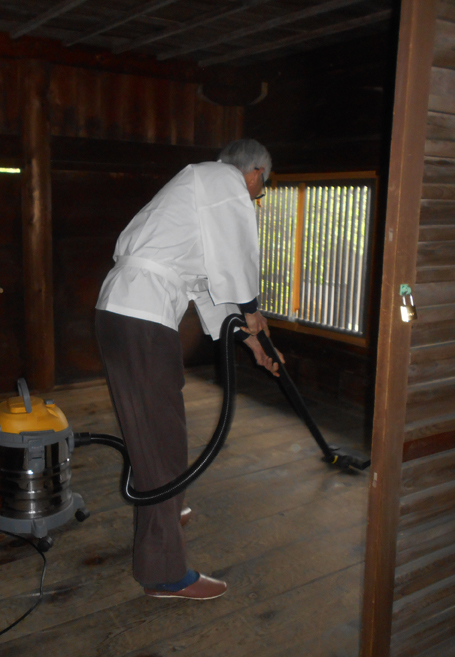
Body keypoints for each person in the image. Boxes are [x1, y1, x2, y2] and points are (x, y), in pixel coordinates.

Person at [94, 139, 283, 601]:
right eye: (261, 191)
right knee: (161, 439)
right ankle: (164, 571)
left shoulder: (194, 197)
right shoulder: (218, 179)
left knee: (154, 432)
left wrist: (253, 342)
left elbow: (209, 288)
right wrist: (254, 306)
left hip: (125, 311)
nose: (255, 199)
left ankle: (166, 506)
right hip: (141, 315)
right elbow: (239, 251)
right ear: (256, 173)